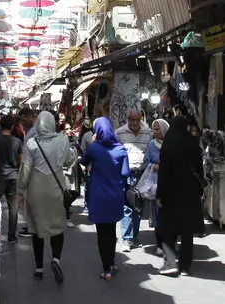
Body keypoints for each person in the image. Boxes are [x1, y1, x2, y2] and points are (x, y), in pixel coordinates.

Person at [19, 112, 75, 282]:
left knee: (37, 230)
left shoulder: (31, 143)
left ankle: (39, 269)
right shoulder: (63, 140)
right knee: (57, 227)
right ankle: (56, 259)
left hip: (35, 190)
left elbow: (25, 170)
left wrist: (20, 191)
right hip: (55, 188)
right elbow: (68, 161)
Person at [155, 117, 206, 277]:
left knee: (168, 229)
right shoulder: (193, 144)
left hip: (171, 193)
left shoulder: (168, 144)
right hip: (189, 193)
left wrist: (159, 194)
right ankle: (185, 266)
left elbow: (163, 172)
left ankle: (170, 263)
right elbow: (199, 169)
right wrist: (199, 191)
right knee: (187, 231)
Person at [82, 117, 130, 280]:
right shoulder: (121, 149)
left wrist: (93, 144)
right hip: (115, 195)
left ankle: (107, 269)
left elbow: (84, 161)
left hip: (98, 195)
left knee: (102, 233)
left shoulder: (94, 148)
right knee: (111, 230)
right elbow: (125, 173)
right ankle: (113, 262)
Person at [116, 109, 153, 248]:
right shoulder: (119, 133)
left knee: (139, 207)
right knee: (127, 207)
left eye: (138, 120)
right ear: (128, 119)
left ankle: (134, 237)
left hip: (143, 175)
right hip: (127, 175)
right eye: (133, 120)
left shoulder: (148, 133)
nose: (136, 123)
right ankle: (126, 238)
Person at [142, 118, 169, 255]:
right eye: (154, 129)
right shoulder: (152, 145)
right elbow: (145, 161)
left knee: (169, 214)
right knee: (157, 214)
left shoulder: (171, 143)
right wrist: (153, 166)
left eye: (158, 129)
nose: (155, 132)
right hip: (155, 184)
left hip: (169, 183)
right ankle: (159, 244)